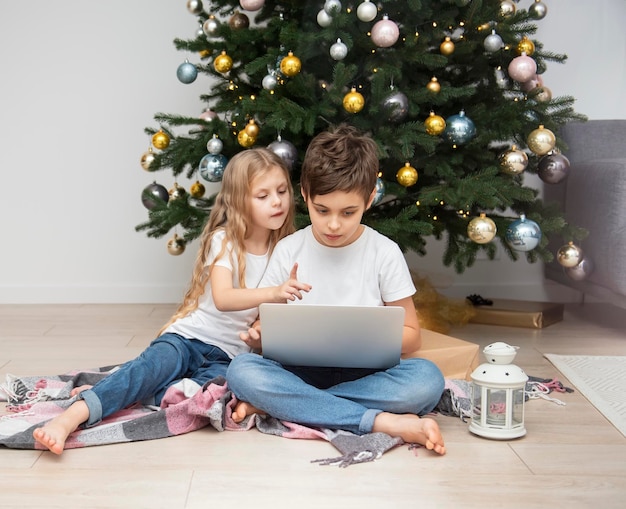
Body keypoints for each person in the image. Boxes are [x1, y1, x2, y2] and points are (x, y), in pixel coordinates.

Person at [32, 147, 311, 455]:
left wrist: (258, 335)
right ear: (239, 202)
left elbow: (267, 318)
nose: (277, 201)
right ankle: (70, 418)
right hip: (188, 339)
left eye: (282, 191)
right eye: (263, 195)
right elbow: (223, 298)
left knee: (202, 399)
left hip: (227, 357)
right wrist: (274, 293)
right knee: (152, 368)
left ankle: (121, 389)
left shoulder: (285, 251)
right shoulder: (225, 240)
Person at [227, 125, 446, 455]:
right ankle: (380, 421)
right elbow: (265, 323)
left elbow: (413, 335)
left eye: (348, 213)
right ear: (305, 194)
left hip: (367, 375)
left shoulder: (384, 252)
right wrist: (260, 336)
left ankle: (289, 405)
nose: (333, 225)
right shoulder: (288, 250)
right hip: (298, 371)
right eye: (322, 210)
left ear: (370, 198)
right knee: (242, 371)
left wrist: (360, 338)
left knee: (428, 380)